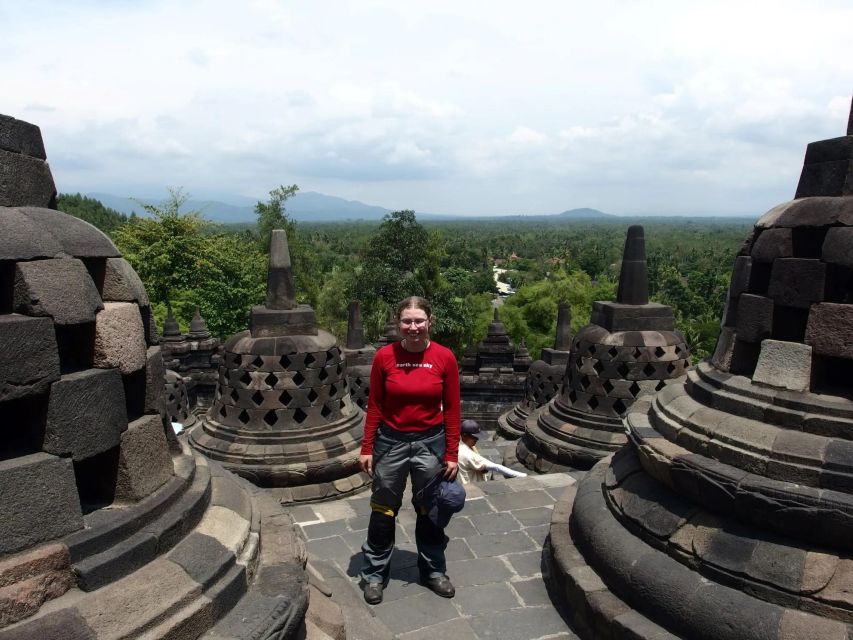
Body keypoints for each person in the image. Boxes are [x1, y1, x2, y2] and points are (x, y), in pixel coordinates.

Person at [358, 296, 461, 605]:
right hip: (391, 443)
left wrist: (452, 453)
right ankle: (375, 574)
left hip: (431, 443)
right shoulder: (385, 357)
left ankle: (433, 570)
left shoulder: (444, 358)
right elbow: (374, 405)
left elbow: (453, 409)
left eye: (419, 321)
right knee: (383, 508)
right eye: (407, 321)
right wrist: (367, 447)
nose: (413, 327)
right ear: (398, 323)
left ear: (429, 322)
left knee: (431, 508)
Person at [457, 419, 528, 484]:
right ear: (464, 435)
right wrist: (523, 475)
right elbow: (496, 467)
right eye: (474, 437)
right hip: (473, 486)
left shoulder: (459, 444)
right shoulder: (468, 454)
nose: (477, 439)